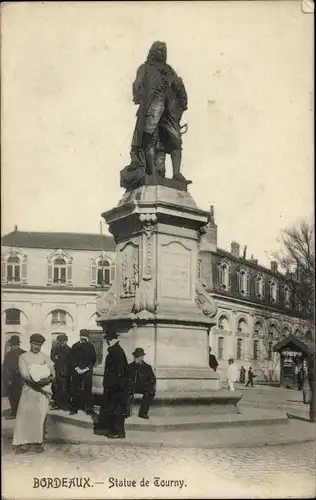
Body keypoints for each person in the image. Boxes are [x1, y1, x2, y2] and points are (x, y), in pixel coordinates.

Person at [131, 41, 188, 182]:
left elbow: (178, 86)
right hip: (152, 108)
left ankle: (177, 174)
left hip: (168, 112)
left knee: (176, 141)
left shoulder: (169, 70)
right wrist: (140, 96)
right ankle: (153, 173)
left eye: (164, 50)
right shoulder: (145, 68)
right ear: (153, 51)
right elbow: (137, 85)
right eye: (159, 50)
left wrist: (181, 99)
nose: (162, 52)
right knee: (151, 140)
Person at [12, 334, 55, 454]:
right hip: (29, 391)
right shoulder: (23, 357)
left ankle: (38, 442)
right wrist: (38, 381)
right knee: (25, 417)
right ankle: (24, 443)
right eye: (35, 344)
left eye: (39, 345)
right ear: (30, 343)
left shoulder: (45, 357)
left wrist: (48, 379)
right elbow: (24, 374)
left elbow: (53, 373)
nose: (36, 346)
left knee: (40, 417)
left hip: (42, 393)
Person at [94, 329, 128, 439]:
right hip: (114, 386)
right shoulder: (115, 350)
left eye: (110, 339)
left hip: (115, 387)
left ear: (114, 340)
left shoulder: (115, 352)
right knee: (113, 409)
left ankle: (118, 431)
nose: (108, 341)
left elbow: (119, 371)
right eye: (108, 339)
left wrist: (112, 385)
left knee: (116, 409)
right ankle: (114, 430)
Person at [68, 329, 97, 415]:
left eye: (85, 337)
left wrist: (86, 369)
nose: (83, 338)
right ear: (80, 336)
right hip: (76, 371)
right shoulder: (75, 346)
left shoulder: (91, 346)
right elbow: (71, 359)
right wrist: (76, 368)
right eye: (82, 336)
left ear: (87, 337)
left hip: (87, 371)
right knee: (75, 390)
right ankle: (74, 408)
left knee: (88, 390)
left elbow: (93, 359)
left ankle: (89, 409)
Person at [126, 348, 156, 419]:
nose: (137, 358)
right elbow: (126, 378)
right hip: (132, 386)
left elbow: (152, 379)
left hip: (143, 387)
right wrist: (130, 383)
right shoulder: (130, 366)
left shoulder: (147, 367)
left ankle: (143, 413)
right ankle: (126, 412)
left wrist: (147, 384)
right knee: (124, 391)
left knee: (150, 392)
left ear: (142, 357)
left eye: (139, 356)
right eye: (136, 357)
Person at [2, 335, 25, 420]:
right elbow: (5, 366)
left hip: (20, 379)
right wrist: (6, 379)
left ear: (18, 344)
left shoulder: (23, 353)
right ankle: (14, 412)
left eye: (15, 344)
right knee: (11, 397)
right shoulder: (8, 354)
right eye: (13, 344)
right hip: (10, 379)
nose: (14, 346)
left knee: (19, 396)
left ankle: (19, 413)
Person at [50, 334, 71, 411]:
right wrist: (55, 358)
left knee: (65, 389)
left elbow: (71, 361)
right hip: (57, 370)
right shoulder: (55, 348)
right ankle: (57, 404)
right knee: (56, 388)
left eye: (63, 342)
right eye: (60, 342)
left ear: (66, 341)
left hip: (65, 372)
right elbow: (52, 357)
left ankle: (65, 405)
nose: (62, 343)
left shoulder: (69, 349)